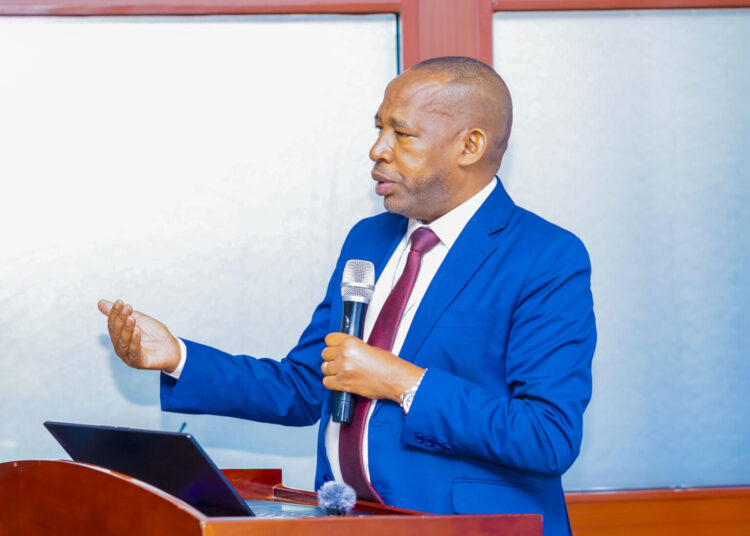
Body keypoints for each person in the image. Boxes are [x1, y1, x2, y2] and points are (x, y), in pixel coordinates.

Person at [99, 56, 596, 536]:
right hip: (349, 523)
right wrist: (177, 357)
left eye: (402, 134)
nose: (378, 150)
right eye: (379, 129)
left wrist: (402, 382)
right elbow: (304, 385)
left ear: (469, 146)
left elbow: (547, 435)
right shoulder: (368, 240)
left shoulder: (545, 256)